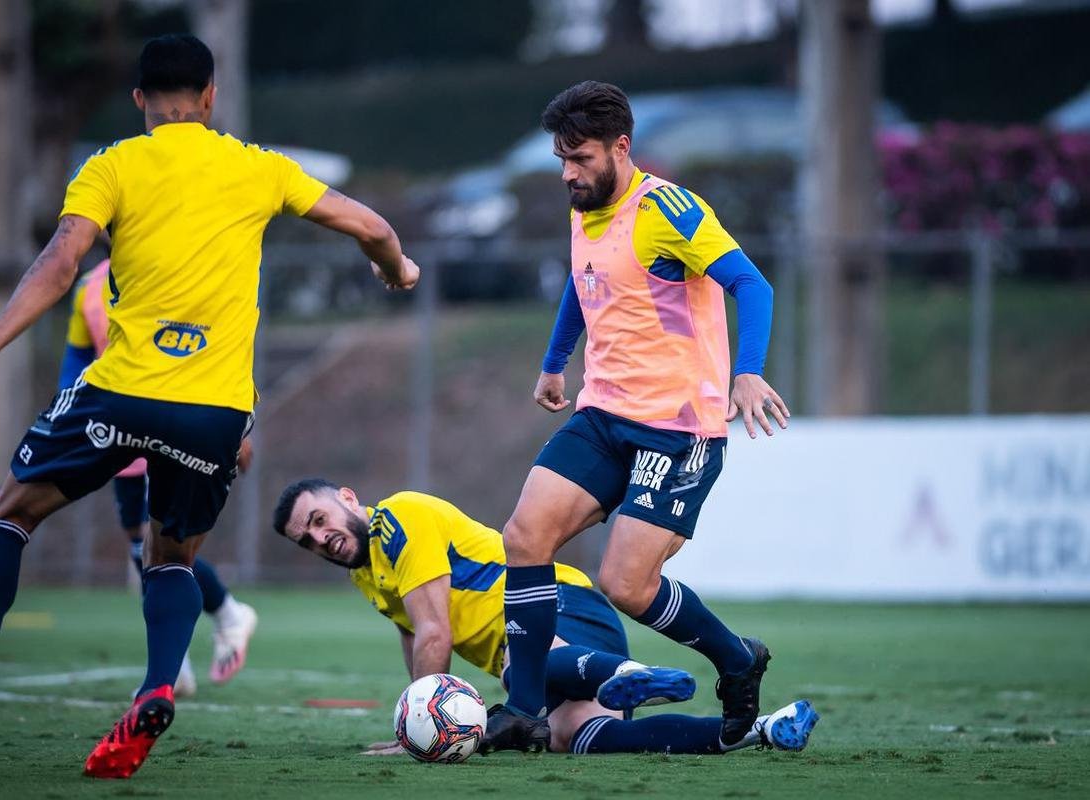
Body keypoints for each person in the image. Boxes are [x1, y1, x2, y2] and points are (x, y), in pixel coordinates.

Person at [0, 34, 419, 779]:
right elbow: (374, 227)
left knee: (8, 513)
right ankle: (155, 689)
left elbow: (60, 261)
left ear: (138, 101)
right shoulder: (257, 166)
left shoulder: (112, 165)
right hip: (215, 414)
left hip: (122, 390)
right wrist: (393, 267)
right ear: (210, 96)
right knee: (170, 556)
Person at [480, 81, 791, 754]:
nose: (567, 173)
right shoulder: (582, 206)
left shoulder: (668, 209)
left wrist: (746, 372)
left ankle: (736, 659)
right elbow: (581, 280)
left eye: (581, 158)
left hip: (676, 431)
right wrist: (554, 360)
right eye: (561, 159)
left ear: (621, 147)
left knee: (624, 583)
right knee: (524, 536)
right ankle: (523, 711)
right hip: (602, 415)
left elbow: (751, 284)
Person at [271, 479, 818, 756]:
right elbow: (413, 634)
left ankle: (618, 675)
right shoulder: (365, 569)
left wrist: (418, 727)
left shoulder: (398, 519)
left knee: (518, 669)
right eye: (307, 540)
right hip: (563, 650)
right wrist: (415, 712)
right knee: (575, 737)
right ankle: (754, 732)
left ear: (347, 497)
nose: (321, 538)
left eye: (319, 519)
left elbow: (436, 631)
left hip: (558, 608)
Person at [60, 259, 259, 696]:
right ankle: (182, 655)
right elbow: (77, 358)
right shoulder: (89, 287)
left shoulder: (178, 261)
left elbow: (221, 340)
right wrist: (69, 411)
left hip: (178, 421)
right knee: (140, 544)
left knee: (167, 547)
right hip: (117, 427)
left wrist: (238, 420)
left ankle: (215, 623)